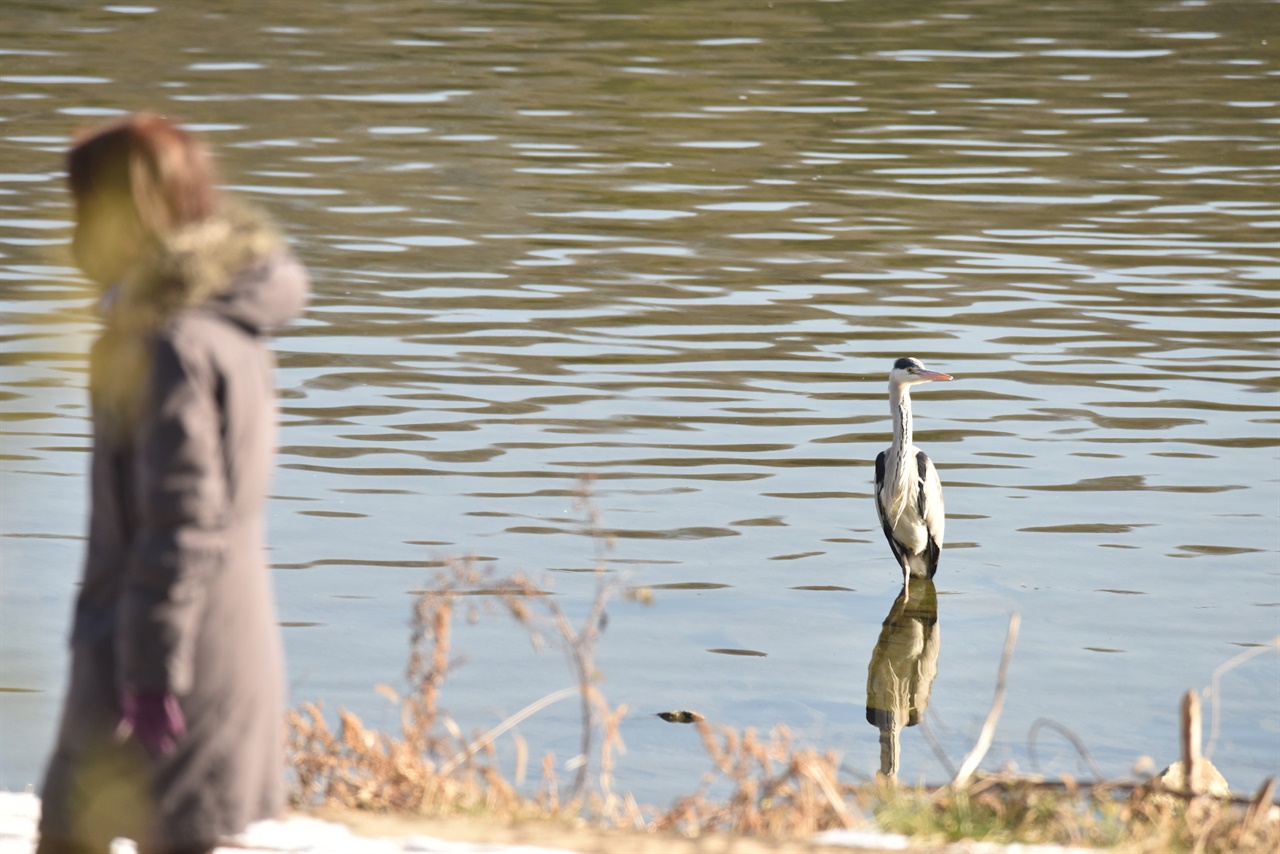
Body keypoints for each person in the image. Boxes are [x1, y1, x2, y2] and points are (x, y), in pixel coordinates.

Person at [37, 113, 309, 854]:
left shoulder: (168, 346)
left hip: (159, 658)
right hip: (218, 638)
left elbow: (184, 520)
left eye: (83, 207)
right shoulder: (225, 328)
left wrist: (151, 674)